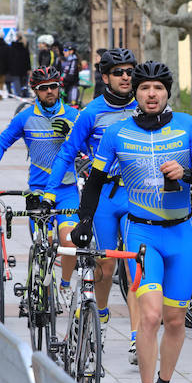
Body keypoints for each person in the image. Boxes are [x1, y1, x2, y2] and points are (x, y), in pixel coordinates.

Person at [71, 61, 192, 383]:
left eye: (158, 88)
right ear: (135, 94)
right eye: (144, 88)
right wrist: (85, 221)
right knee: (150, 316)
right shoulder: (118, 133)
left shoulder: (187, 127)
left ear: (167, 92)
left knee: (174, 319)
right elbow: (95, 180)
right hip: (142, 235)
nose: (151, 94)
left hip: (181, 235)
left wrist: (186, 173)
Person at [43, 48, 140, 363]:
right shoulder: (91, 113)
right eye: (119, 72)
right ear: (106, 77)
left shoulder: (144, 107)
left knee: (136, 264)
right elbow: (66, 153)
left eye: (130, 71)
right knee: (106, 266)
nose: (126, 77)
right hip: (104, 198)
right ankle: (100, 315)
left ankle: (139, 338)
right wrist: (49, 192)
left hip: (139, 196)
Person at [0, 66, 80, 289]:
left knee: (69, 242)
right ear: (35, 91)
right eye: (44, 88)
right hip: (38, 190)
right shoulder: (25, 117)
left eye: (54, 86)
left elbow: (90, 148)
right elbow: (1, 142)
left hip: (67, 190)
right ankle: (39, 287)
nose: (50, 91)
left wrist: (72, 132)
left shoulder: (74, 115)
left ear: (59, 87)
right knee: (44, 243)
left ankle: (64, 284)